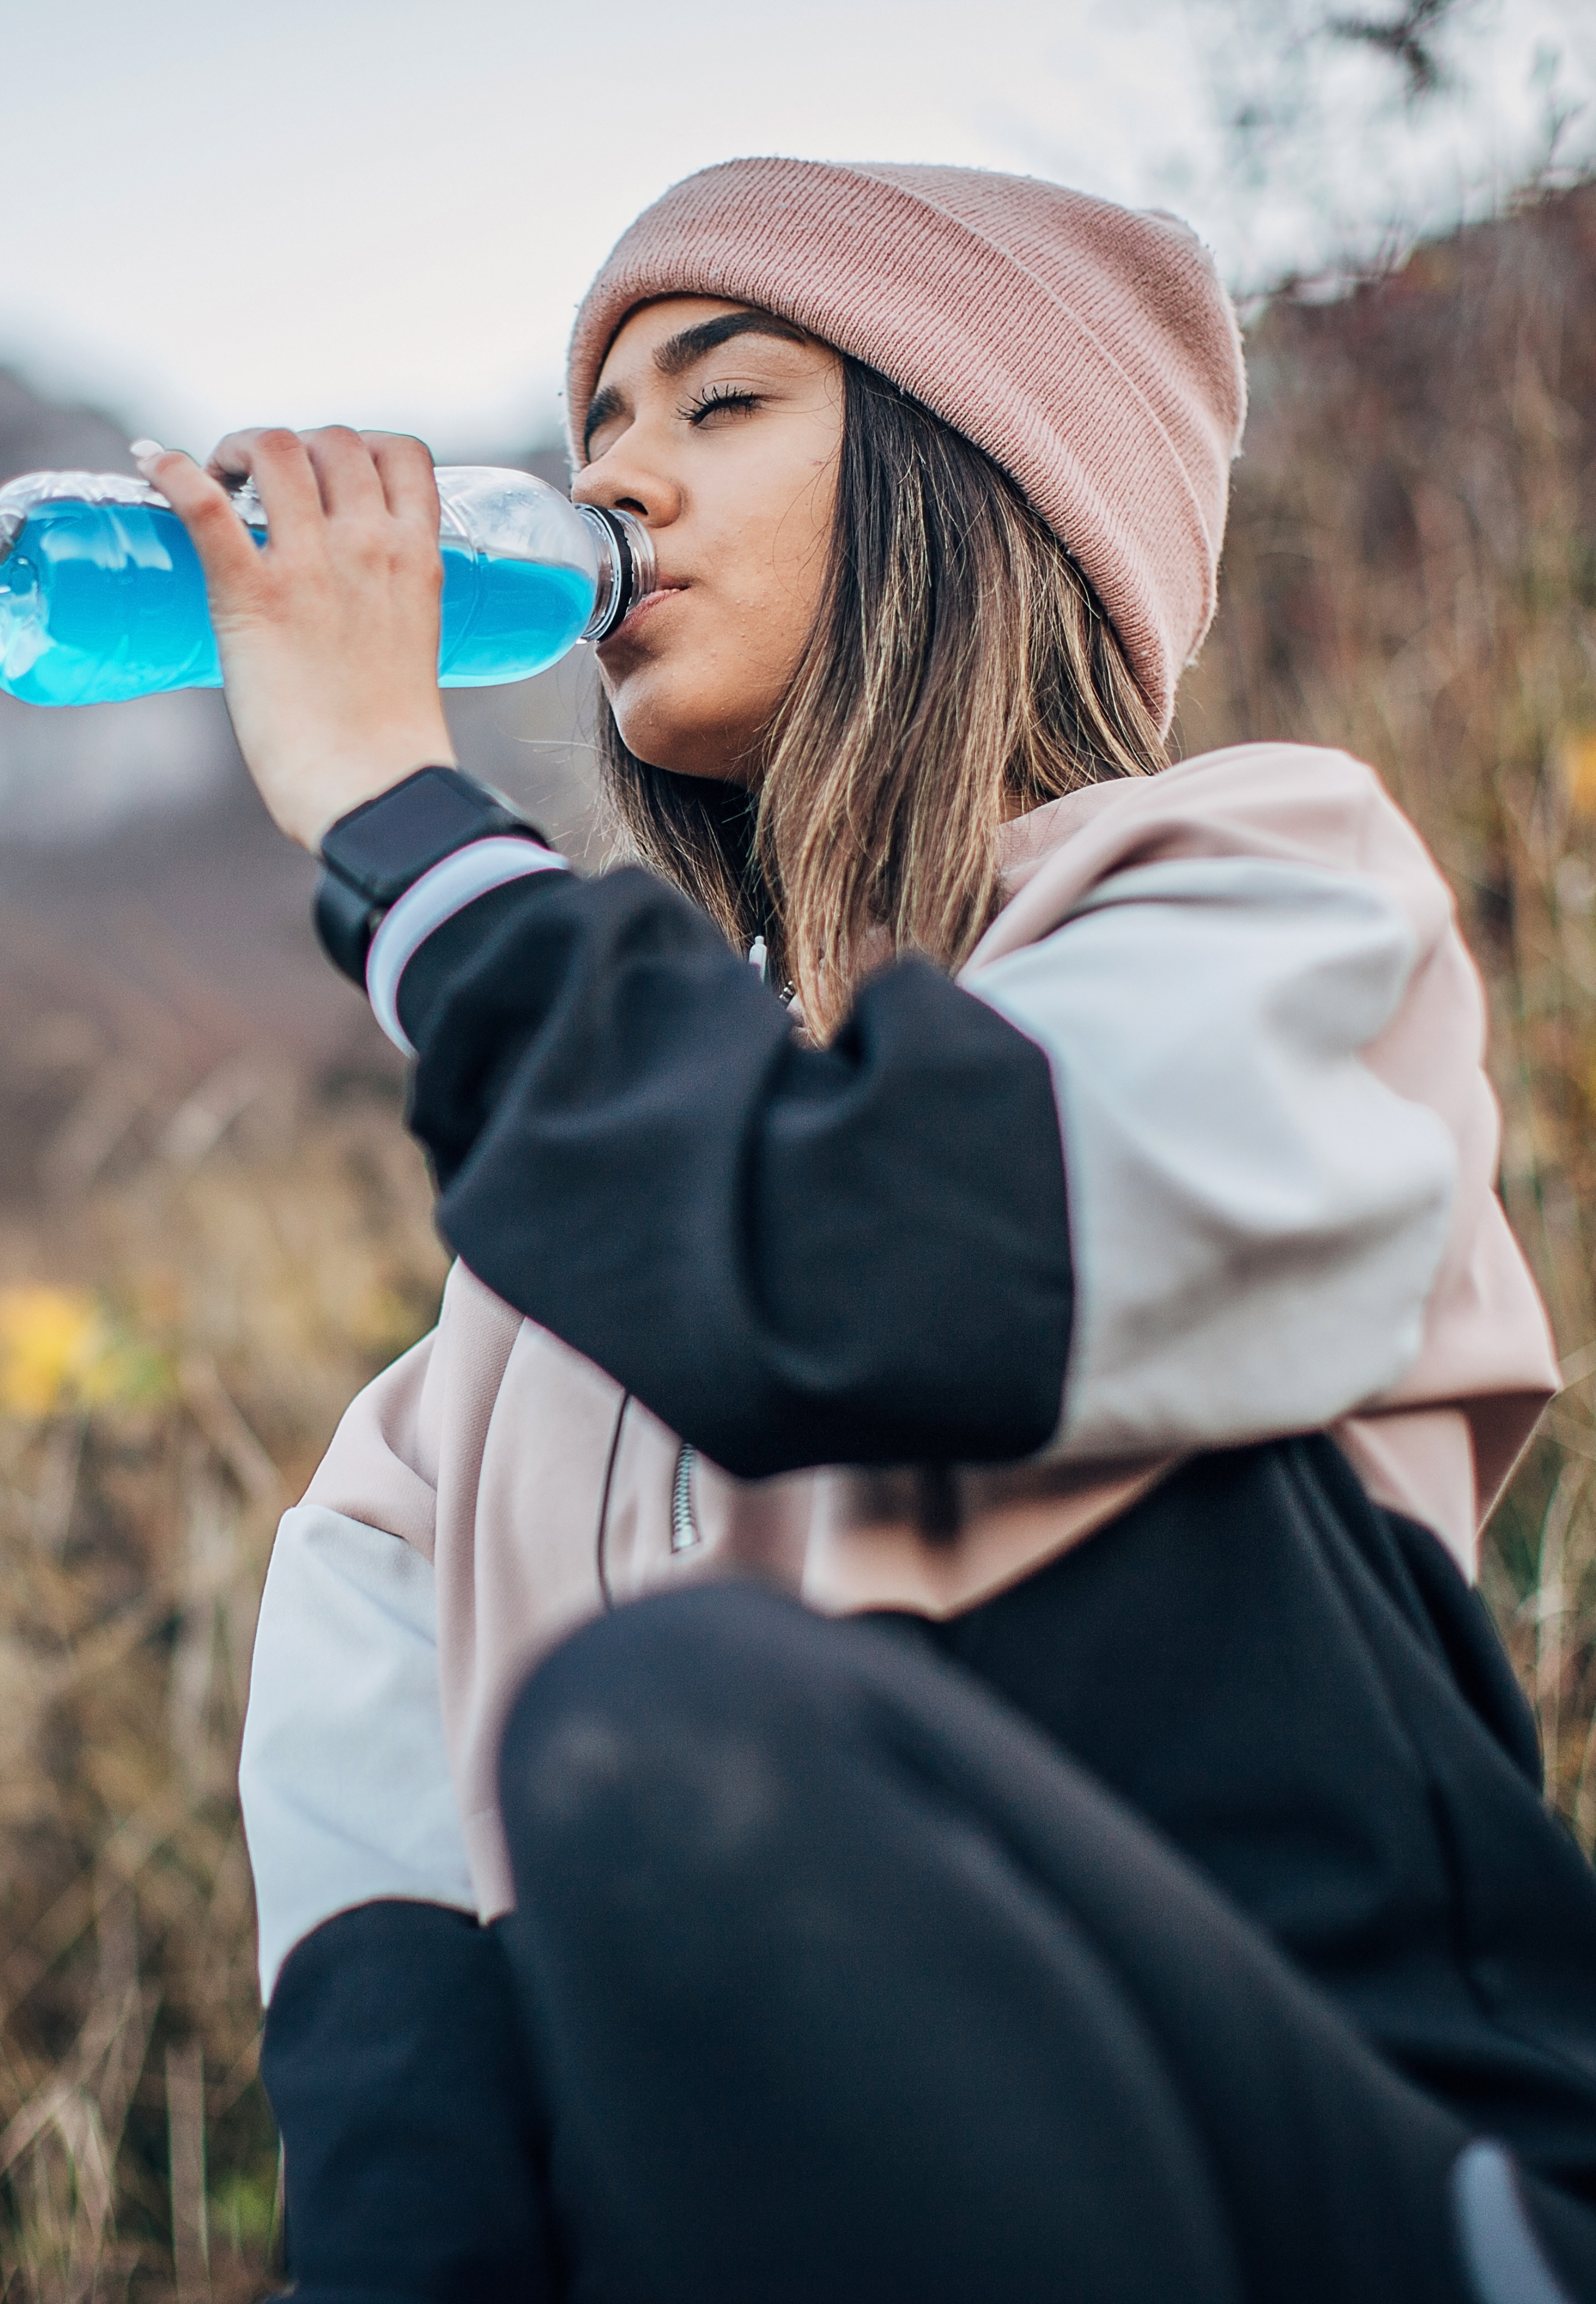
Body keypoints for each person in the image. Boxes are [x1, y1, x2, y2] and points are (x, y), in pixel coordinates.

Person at [136, 159, 1596, 2303]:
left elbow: (882, 1270)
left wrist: (399, 821)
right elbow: (403, 2139)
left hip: (1329, 2188)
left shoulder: (1265, 904)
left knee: (672, 1725)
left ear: (973, 480)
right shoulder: (445, 1425)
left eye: (720, 404)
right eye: (599, 430)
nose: (618, 477)